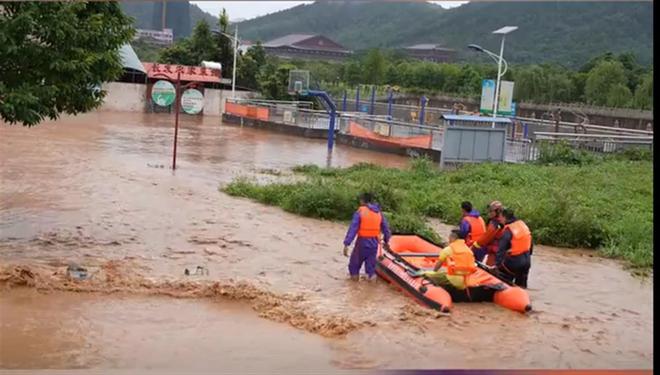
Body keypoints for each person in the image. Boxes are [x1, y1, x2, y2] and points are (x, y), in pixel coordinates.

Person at [343, 192, 392, 281]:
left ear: (362, 201)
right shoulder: (379, 213)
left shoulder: (360, 212)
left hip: (362, 243)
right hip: (374, 243)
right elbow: (386, 230)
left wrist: (347, 244)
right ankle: (371, 290)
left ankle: (354, 288)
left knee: (354, 267)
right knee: (371, 270)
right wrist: (386, 241)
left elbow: (353, 229)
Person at [494, 208, 533, 288]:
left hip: (514, 263)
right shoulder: (523, 225)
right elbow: (531, 245)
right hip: (527, 262)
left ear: (505, 217)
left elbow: (501, 250)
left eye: (500, 217)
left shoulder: (508, 230)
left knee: (503, 284)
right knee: (522, 287)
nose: (499, 219)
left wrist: (497, 266)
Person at [471, 201, 505, 266]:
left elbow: (486, 238)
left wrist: (475, 245)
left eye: (491, 211)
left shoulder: (494, 223)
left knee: (490, 266)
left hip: (496, 249)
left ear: (497, 212)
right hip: (502, 248)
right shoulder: (503, 220)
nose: (489, 213)